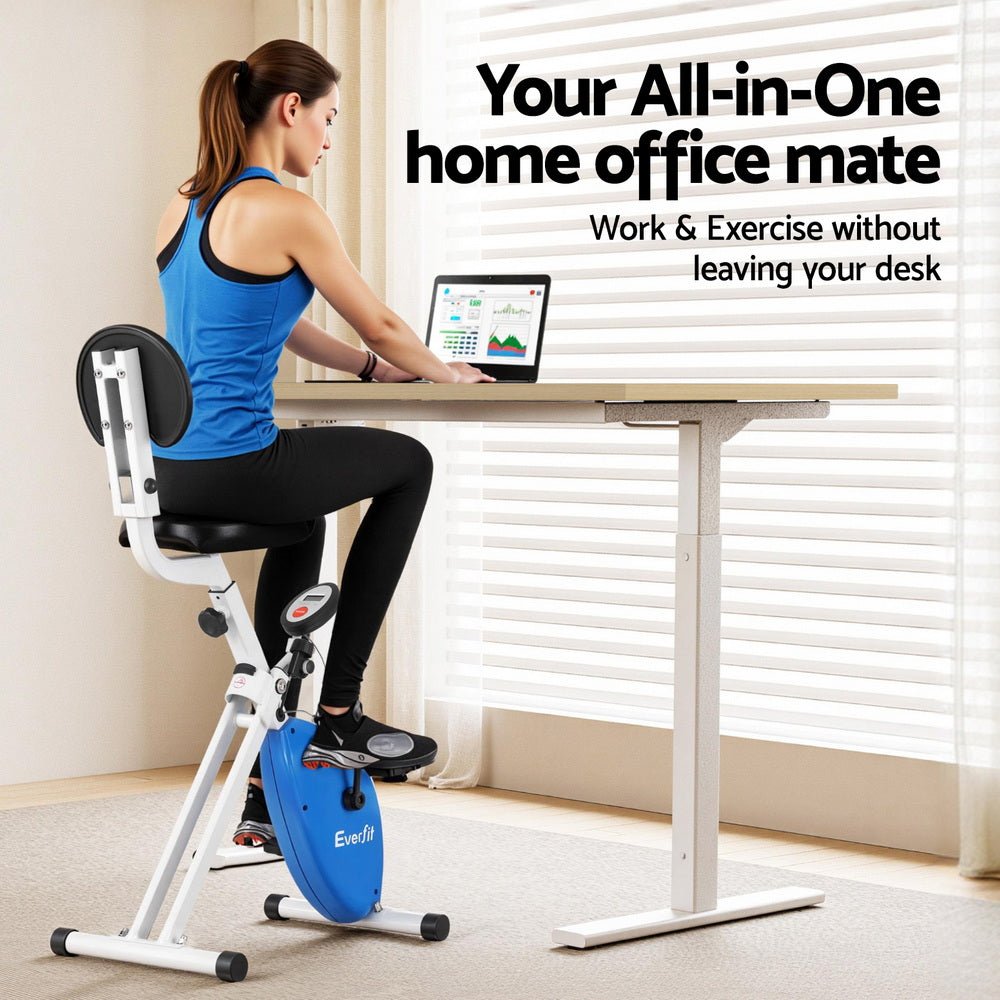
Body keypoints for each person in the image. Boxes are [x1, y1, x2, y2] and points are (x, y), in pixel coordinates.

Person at [151, 39, 494, 849]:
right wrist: (447, 374)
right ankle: (340, 711)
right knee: (409, 464)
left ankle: (263, 789)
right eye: (329, 118)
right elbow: (379, 319)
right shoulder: (288, 210)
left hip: (174, 472)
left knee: (303, 522)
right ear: (290, 108)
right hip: (239, 465)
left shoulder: (184, 204)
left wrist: (374, 370)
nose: (330, 139)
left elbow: (282, 318)